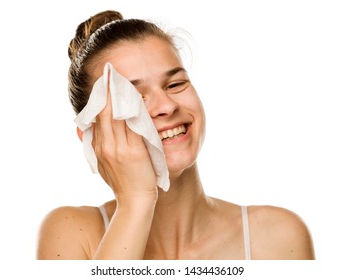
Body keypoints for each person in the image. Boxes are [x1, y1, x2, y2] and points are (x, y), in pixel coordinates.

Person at [36, 10, 315, 260]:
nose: (167, 106)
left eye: (176, 83)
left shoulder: (279, 237)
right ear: (93, 136)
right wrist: (136, 201)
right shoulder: (70, 232)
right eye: (134, 97)